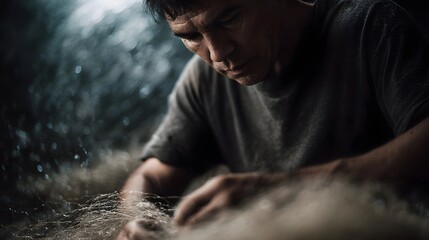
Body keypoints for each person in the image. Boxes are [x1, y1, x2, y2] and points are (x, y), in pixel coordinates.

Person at [118, 0, 429, 238]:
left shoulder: (370, 27)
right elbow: (153, 175)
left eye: (229, 19)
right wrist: (136, 220)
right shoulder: (203, 83)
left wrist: (281, 190)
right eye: (190, 36)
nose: (217, 53)